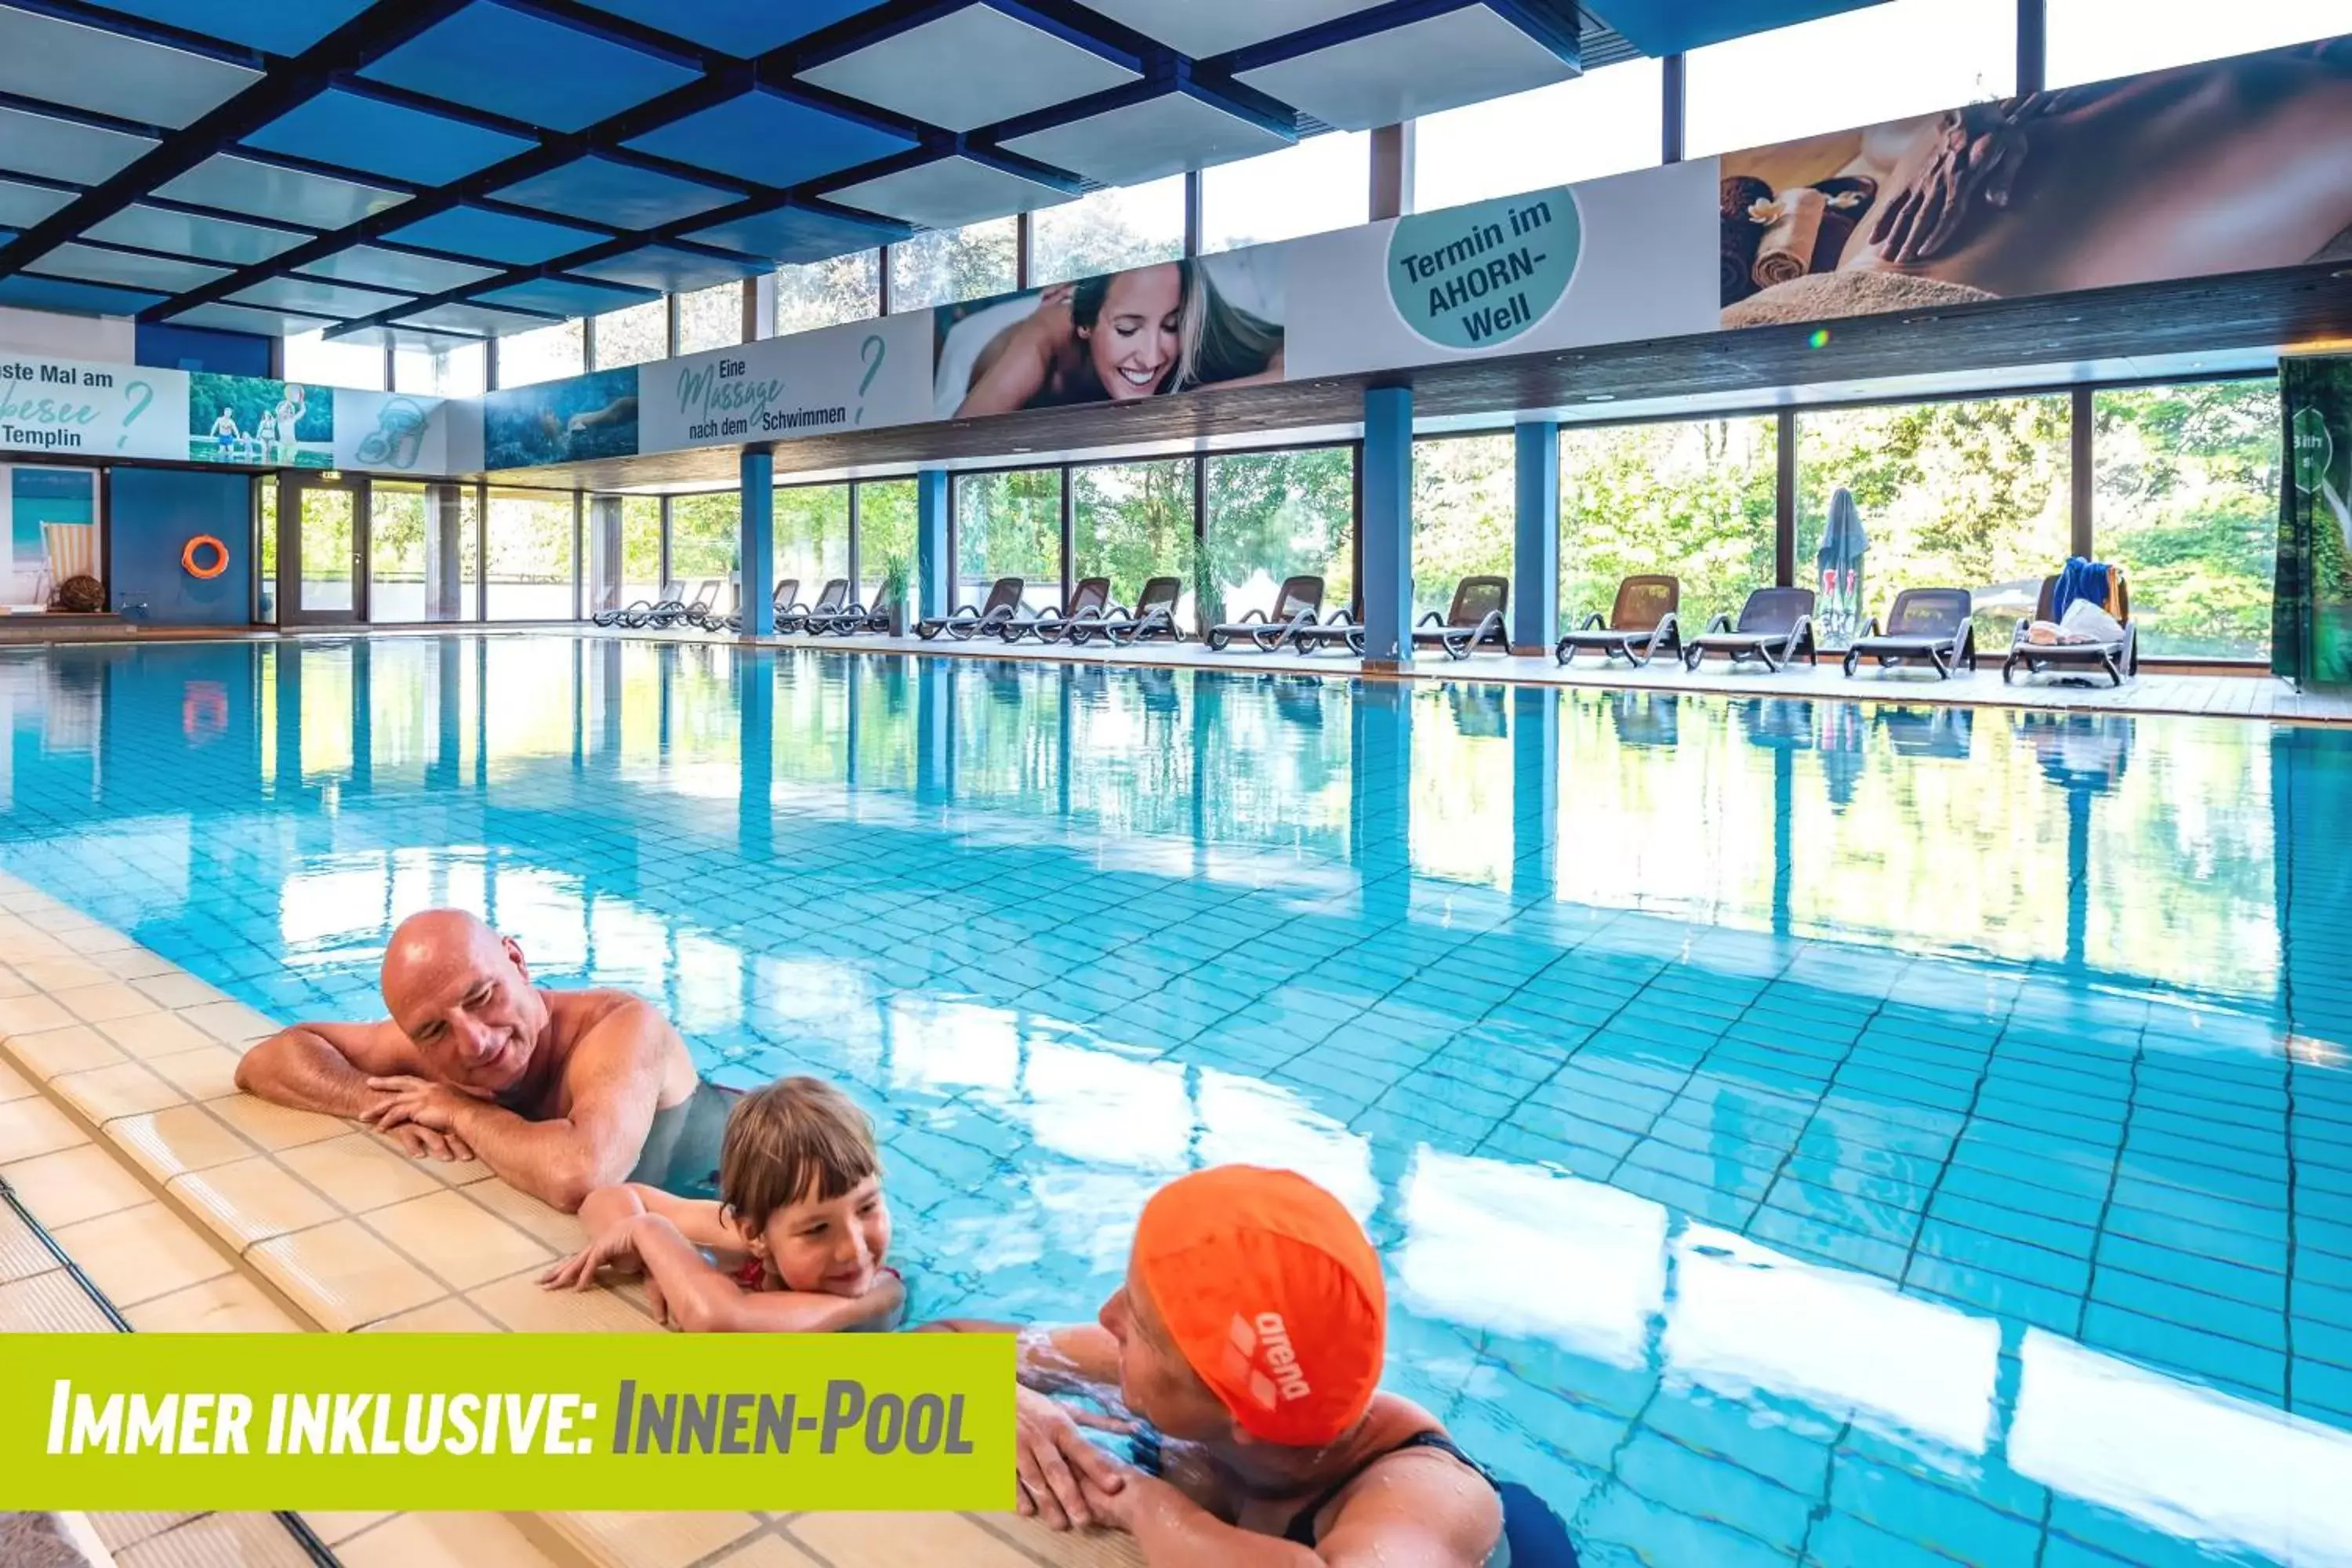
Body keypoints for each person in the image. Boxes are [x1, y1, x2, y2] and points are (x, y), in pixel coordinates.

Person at [946, 1165, 1577, 1566]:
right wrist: (1000, 1401)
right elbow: (939, 1336)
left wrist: (1145, 1506)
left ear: (1238, 1412)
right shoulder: (1148, 1370)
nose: (1106, 1316)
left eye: (1139, 1319)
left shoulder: (1423, 1498)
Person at [233, 909, 697, 1213]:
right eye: (434, 1031)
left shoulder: (622, 1027)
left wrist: (459, 1110)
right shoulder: (430, 1036)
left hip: (716, 1178)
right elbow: (266, 1061)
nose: (474, 1042)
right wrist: (371, 1102)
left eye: (481, 996)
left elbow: (581, 1174)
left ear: (516, 961)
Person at [538, 1075, 903, 1332]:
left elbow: (719, 1320)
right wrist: (651, 1260)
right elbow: (607, 1197)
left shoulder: (875, 1293)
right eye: (818, 1229)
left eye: (867, 1207)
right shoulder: (743, 1236)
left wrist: (651, 1233)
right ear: (755, 1235)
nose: (853, 1250)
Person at [954, 260, 1284, 418]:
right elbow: (959, 438)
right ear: (1085, 323)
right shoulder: (1042, 344)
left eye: (1171, 326)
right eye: (1128, 329)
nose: (1152, 357)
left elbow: (1292, 360)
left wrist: (1190, 401)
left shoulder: (1191, 330)